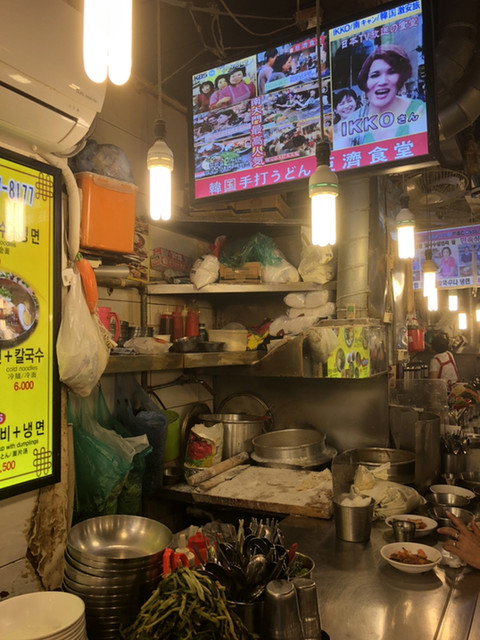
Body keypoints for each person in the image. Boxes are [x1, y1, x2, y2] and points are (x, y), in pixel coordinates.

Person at [350, 44, 427, 145]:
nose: (383, 81)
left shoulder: (419, 110)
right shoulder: (353, 121)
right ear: (365, 81)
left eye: (391, 72)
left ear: (400, 78)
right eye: (375, 75)